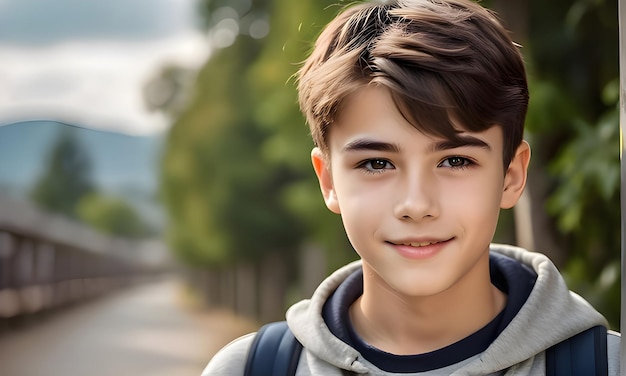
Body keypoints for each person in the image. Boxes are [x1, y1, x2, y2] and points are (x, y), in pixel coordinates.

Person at [202, 0, 620, 374]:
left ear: (511, 176)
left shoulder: (608, 367)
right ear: (328, 180)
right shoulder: (248, 369)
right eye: (377, 163)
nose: (416, 205)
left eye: (456, 161)